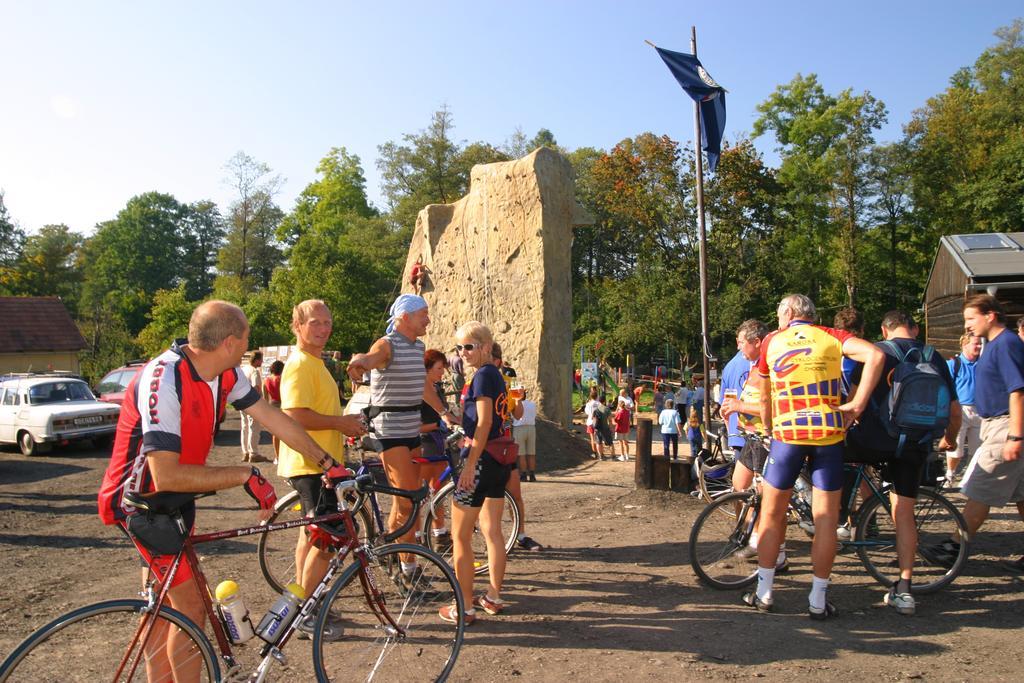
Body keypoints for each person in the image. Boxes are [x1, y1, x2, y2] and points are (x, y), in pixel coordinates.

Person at [97, 301, 352, 680]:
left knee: (163, 611)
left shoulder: (225, 375)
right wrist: (244, 474)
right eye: (247, 337)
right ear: (231, 342)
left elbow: (273, 418)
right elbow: (165, 474)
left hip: (177, 502)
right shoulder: (164, 378)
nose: (250, 343)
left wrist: (327, 462)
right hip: (143, 506)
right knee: (191, 611)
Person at [745, 294, 883, 619]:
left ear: (790, 313)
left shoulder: (771, 342)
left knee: (772, 514)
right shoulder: (831, 337)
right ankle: (818, 600)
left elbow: (764, 398)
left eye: (780, 315)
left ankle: (764, 593)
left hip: (788, 436)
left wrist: (768, 428)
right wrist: (858, 403)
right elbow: (875, 355)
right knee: (826, 521)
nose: (779, 321)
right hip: (828, 435)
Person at [845, 310, 961, 615]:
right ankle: (905, 589)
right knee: (905, 513)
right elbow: (954, 410)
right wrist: (950, 439)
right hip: (915, 444)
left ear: (885, 330)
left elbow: (852, 404)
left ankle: (838, 524)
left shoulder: (874, 353)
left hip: (873, 442)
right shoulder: (934, 357)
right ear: (914, 328)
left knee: (831, 468)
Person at [276, 300, 368, 638]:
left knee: (310, 537)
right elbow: (294, 415)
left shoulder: (315, 362)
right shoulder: (300, 364)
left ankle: (306, 602)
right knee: (326, 541)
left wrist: (344, 426)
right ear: (297, 326)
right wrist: (340, 423)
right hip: (311, 464)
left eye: (328, 322)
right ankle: (307, 617)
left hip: (317, 463)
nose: (324, 328)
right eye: (315, 322)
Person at [347, 294, 450, 566]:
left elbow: (423, 385)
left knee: (407, 498)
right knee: (409, 500)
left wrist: (445, 413)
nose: (428, 319)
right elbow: (371, 358)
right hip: (389, 432)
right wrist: (360, 363)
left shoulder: (418, 348)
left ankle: (391, 552)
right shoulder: (387, 344)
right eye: (423, 314)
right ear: (405, 317)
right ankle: (408, 567)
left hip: (410, 429)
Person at [439, 321, 522, 625]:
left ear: (486, 347)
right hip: (499, 461)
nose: (463, 353)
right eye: (459, 348)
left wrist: (471, 463)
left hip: (482, 460)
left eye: (469, 346)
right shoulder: (497, 375)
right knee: (492, 531)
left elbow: (485, 422)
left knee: (460, 536)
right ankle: (493, 596)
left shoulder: (484, 376)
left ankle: (464, 608)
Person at [937, 295, 1024, 572]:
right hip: (998, 424)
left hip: (1005, 425)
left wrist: (1015, 436)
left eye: (971, 319)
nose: (967, 326)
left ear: (990, 315)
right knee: (1022, 495)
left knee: (980, 487)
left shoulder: (1006, 344)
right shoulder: (996, 344)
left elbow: (1018, 391)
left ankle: (954, 547)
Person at [491, 342, 544, 551]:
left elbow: (519, 414)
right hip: (486, 448)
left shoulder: (507, 382)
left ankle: (520, 535)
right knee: (489, 499)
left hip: (505, 446)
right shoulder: (474, 382)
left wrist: (516, 393)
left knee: (515, 495)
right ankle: (494, 540)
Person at [421, 349, 456, 543]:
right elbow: (415, 425)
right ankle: (417, 534)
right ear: (427, 369)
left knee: (439, 489)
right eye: (439, 368)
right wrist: (438, 425)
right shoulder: (420, 389)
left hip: (437, 442)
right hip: (424, 442)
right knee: (422, 492)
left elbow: (445, 415)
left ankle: (439, 532)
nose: (442, 372)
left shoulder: (436, 388)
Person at [945, 332, 983, 484]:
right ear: (965, 345)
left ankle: (970, 480)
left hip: (980, 410)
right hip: (959, 410)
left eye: (981, 343)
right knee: (956, 448)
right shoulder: (954, 364)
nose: (979, 346)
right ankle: (950, 473)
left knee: (977, 449)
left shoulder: (983, 363)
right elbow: (946, 387)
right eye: (976, 343)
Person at [241, 351, 267, 463]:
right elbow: (256, 387)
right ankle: (253, 453)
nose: (262, 361)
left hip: (241, 401)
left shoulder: (244, 369)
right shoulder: (254, 371)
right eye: (261, 359)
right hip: (252, 402)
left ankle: (245, 452)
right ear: (256, 360)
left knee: (244, 427)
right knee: (254, 428)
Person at [513, 391, 538, 481]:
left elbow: (514, 416)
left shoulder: (515, 404)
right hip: (531, 428)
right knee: (531, 453)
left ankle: (523, 474)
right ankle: (532, 474)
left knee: (521, 454)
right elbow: (534, 415)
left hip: (519, 428)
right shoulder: (532, 404)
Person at [263, 359, 285, 462]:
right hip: (282, 405)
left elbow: (265, 398)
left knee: (275, 434)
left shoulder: (266, 380)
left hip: (272, 406)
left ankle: (277, 457)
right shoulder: (281, 379)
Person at [584, 386, 603, 459]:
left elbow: (587, 412)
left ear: (590, 396)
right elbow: (602, 412)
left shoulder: (588, 404)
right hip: (598, 422)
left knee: (592, 438)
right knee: (599, 438)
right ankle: (601, 453)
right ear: (597, 396)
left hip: (590, 422)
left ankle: (594, 453)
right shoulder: (599, 403)